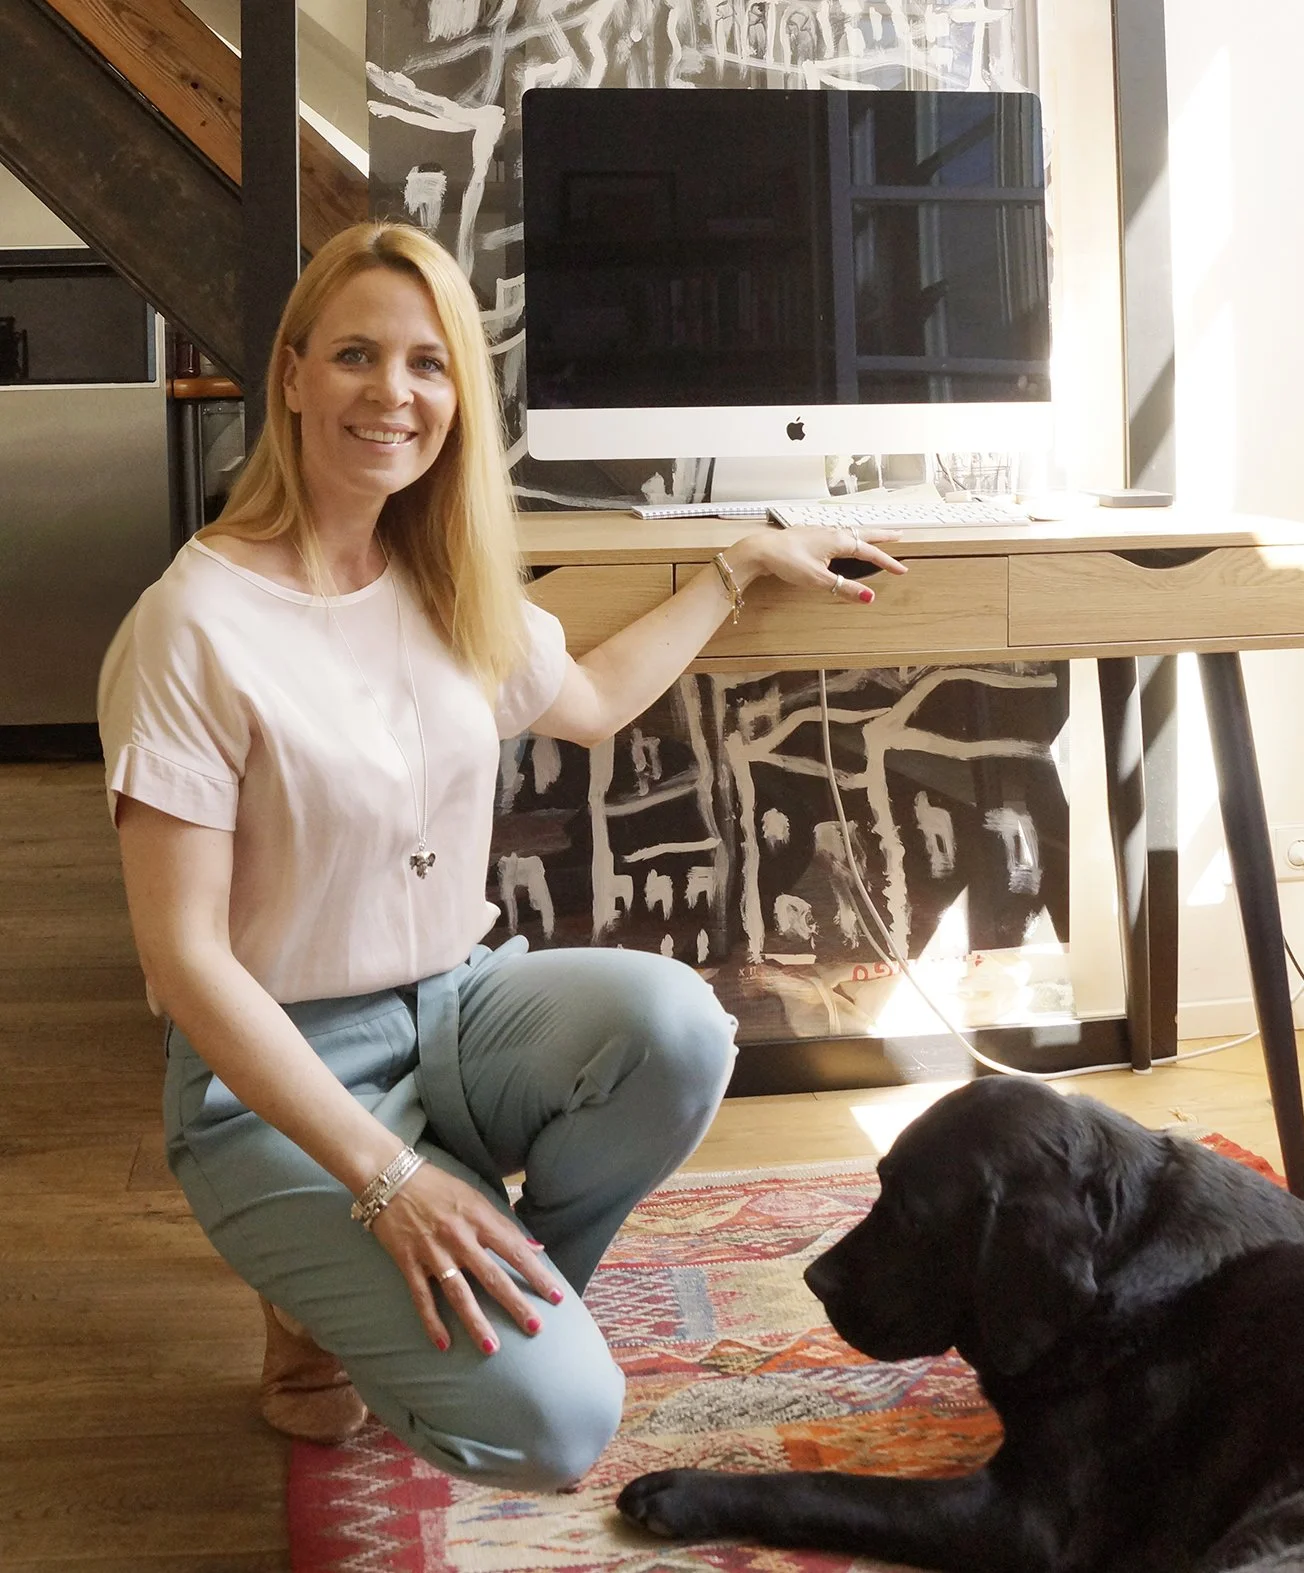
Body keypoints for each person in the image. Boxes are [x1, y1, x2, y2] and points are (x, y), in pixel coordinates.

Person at [97, 220, 905, 1487]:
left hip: (454, 1012)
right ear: (294, 372)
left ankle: (496, 1289)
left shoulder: (435, 577)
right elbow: (184, 961)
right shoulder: (191, 624)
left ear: (457, 395)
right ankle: (390, 1288)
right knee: (558, 1426)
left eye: (428, 363)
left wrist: (736, 568)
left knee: (678, 1025)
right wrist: (384, 1182)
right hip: (277, 1066)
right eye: (356, 353)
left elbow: (585, 699)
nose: (393, 392)